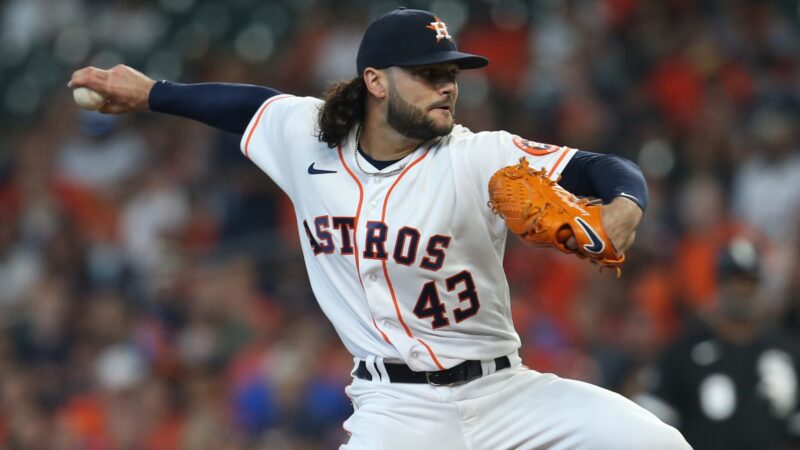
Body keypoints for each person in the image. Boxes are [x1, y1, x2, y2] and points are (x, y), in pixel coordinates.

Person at [69, 8, 689, 449]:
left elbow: (604, 167)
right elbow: (245, 106)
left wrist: (626, 204)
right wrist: (153, 93)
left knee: (658, 444)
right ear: (374, 81)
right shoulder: (307, 135)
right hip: (397, 410)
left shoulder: (479, 155)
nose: (447, 85)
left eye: (451, 74)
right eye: (427, 73)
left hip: (507, 395)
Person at [636, 238, 800, 450]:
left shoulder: (788, 352)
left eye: (749, 281)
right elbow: (652, 424)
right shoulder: (683, 353)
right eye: (734, 281)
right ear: (719, 284)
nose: (742, 290)